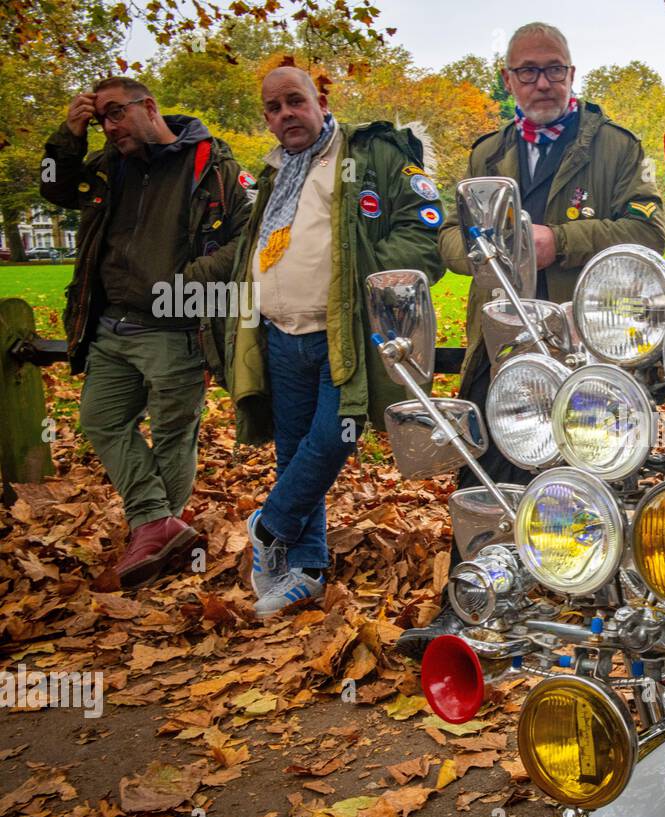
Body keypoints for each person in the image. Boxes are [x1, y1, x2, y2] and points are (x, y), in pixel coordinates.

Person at [396, 22, 665, 659]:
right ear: (509, 79)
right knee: (485, 468)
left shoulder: (616, 149)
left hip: (581, 340)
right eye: (527, 71)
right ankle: (469, 609)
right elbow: (450, 238)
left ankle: (607, 616)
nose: (541, 81)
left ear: (572, 75)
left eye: (553, 69)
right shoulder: (487, 154)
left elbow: (649, 233)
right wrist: (484, 249)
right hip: (499, 337)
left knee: (590, 471)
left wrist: (557, 241)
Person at [215, 66, 444, 617]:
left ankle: (269, 525)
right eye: (273, 108)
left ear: (320, 100)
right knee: (293, 450)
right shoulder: (274, 173)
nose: (284, 115)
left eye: (295, 101)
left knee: (335, 436)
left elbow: (426, 232)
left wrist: (365, 284)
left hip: (345, 335)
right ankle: (308, 567)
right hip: (280, 334)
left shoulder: (373, 154)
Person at [40, 77, 251, 589]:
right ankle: (157, 524)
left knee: (174, 434)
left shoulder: (212, 164)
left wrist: (187, 282)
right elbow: (55, 186)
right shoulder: (112, 165)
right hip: (110, 323)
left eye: (115, 114)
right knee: (101, 419)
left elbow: (249, 237)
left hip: (175, 326)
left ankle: (156, 536)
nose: (109, 128)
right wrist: (70, 135)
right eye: (100, 120)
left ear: (149, 106)